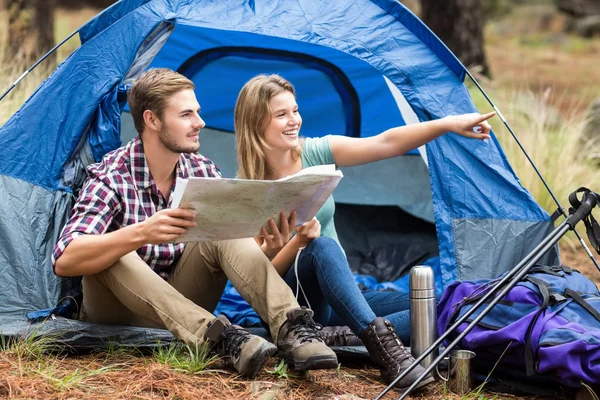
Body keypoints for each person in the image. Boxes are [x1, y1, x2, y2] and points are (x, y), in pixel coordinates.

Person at [52, 68, 340, 378]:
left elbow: (235, 261)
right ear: (152, 120)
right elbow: (65, 259)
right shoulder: (110, 177)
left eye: (198, 112)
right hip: (117, 311)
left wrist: (271, 248)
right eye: (187, 114)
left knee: (223, 230)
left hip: (184, 297)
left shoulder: (202, 172)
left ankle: (292, 326)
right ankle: (218, 339)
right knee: (115, 249)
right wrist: (140, 233)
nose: (200, 122)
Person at [234, 74, 495, 390]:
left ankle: (340, 336)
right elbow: (256, 281)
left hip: (336, 297)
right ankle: (387, 354)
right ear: (256, 122)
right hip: (291, 306)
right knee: (323, 247)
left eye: (295, 110)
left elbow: (385, 142)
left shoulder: (315, 152)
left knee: (436, 306)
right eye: (281, 114)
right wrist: (296, 244)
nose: (295, 121)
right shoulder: (245, 190)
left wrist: (447, 124)